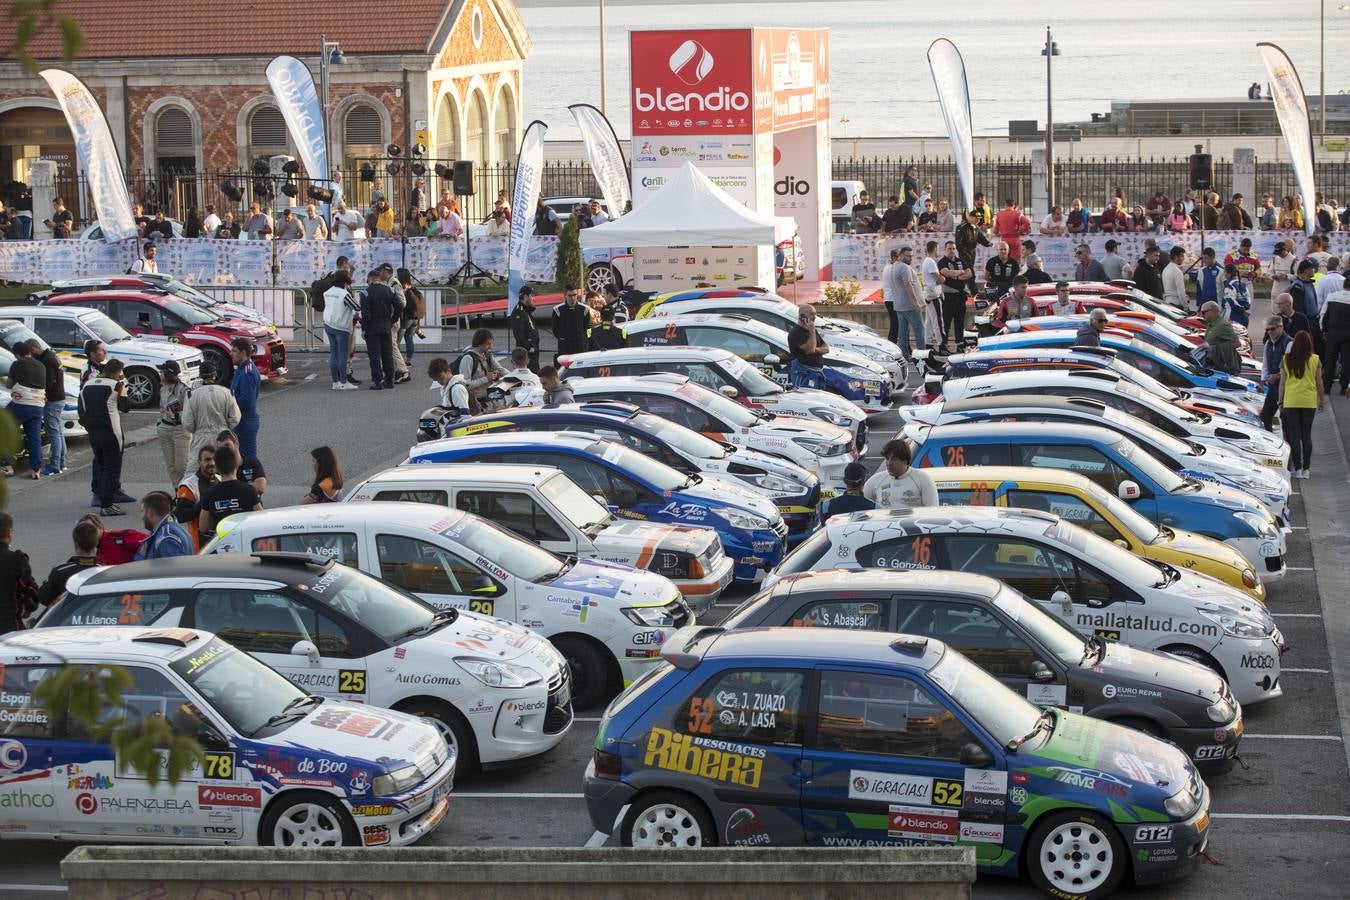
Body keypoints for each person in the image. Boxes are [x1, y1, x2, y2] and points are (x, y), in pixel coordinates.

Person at [80, 358, 130, 516]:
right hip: (111, 431)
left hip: (93, 431)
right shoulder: (116, 385)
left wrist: (89, 426)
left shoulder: (87, 384)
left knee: (100, 463)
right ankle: (107, 503)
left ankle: (98, 495)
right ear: (117, 373)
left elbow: (81, 412)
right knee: (111, 467)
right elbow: (126, 407)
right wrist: (125, 388)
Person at [1280, 331, 1323, 479]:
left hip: (1291, 400)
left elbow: (1282, 383)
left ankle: (1297, 468)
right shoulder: (1315, 359)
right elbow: (1319, 383)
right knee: (1306, 435)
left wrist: (1281, 401)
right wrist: (1321, 400)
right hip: (1309, 401)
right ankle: (1307, 469)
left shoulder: (1286, 359)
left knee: (1294, 436)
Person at [198, 445, 262, 537]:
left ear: (218, 468)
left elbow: (203, 527)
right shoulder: (249, 490)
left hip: (222, 542)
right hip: (244, 540)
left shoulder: (209, 494)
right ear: (236, 465)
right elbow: (261, 518)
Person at [35, 521, 100, 610]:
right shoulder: (105, 571)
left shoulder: (60, 571)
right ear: (96, 543)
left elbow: (43, 597)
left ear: (76, 545)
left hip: (67, 619)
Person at [183, 361, 240, 460]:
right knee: (226, 469)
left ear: (200, 375)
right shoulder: (227, 392)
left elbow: (188, 423)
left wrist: (198, 430)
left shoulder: (191, 395)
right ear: (215, 374)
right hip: (223, 438)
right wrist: (225, 428)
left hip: (201, 439)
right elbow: (235, 418)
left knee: (195, 471)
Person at [7, 339, 46, 479]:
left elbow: (8, 384)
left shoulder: (17, 364)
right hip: (37, 406)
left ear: (17, 354)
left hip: (21, 404)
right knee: (34, 437)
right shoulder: (41, 365)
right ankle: (36, 469)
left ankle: (7, 465)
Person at [863, 440, 937, 508]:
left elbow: (932, 510)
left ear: (905, 460)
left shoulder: (923, 478)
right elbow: (862, 505)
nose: (889, 463)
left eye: (894, 459)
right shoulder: (876, 480)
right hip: (885, 522)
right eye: (887, 458)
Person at [359, 268, 396, 390]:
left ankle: (377, 381)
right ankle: (390, 379)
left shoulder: (365, 293)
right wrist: (393, 320)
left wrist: (364, 329)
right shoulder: (390, 290)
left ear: (370, 279)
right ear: (379, 278)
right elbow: (399, 306)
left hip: (372, 327)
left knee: (374, 355)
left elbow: (366, 314)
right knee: (387, 354)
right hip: (386, 325)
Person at [33, 336, 65, 475]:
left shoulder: (47, 360)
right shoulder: (52, 356)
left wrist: (43, 393)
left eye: (31, 352)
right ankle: (61, 462)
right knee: (58, 431)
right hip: (59, 398)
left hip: (52, 400)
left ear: (35, 348)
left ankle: (55, 464)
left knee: (53, 433)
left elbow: (49, 382)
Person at [155, 359, 190, 487]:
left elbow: (189, 413)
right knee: (171, 466)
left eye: (162, 372)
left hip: (180, 430)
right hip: (164, 429)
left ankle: (186, 491)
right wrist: (160, 423)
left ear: (170, 374)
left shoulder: (184, 390)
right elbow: (161, 408)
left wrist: (176, 416)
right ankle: (177, 491)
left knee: (181, 466)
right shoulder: (163, 388)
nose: (160, 374)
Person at [322, 269, 359, 390]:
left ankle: (335, 382)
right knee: (343, 355)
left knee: (333, 354)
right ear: (345, 282)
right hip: (341, 326)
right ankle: (344, 382)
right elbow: (357, 307)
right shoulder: (344, 294)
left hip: (328, 324)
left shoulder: (327, 292)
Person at [0, 513, 36, 634]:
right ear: (9, 533)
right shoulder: (16, 559)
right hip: (8, 627)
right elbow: (31, 590)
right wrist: (29, 606)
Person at [174, 445, 216, 550]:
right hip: (199, 546)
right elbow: (180, 516)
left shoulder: (221, 480)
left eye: (214, 459)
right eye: (207, 460)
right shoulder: (189, 485)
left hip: (222, 542)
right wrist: (204, 503)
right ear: (199, 462)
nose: (212, 463)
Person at [134, 491, 193, 560]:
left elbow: (172, 569)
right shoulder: (174, 528)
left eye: (142, 511)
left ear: (150, 513)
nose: (141, 516)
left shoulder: (166, 539)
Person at [890, 246, 924, 360]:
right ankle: (922, 355)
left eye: (911, 256)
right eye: (907, 256)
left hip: (899, 305)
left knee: (902, 333)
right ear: (900, 256)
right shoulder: (904, 268)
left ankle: (905, 356)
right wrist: (916, 302)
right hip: (909, 306)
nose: (910, 258)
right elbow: (908, 285)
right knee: (919, 330)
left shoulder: (894, 266)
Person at [228, 337, 261, 457]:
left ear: (243, 353)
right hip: (239, 421)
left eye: (234, 351)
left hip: (244, 422)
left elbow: (247, 402)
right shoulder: (241, 369)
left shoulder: (248, 373)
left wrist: (227, 405)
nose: (231, 354)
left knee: (248, 460)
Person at [458, 327, 506, 408]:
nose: (491, 347)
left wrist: (516, 377)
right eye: (488, 344)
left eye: (491, 343)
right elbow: (465, 384)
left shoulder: (487, 355)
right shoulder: (468, 359)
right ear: (479, 343)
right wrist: (486, 379)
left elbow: (501, 370)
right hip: (476, 404)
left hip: (490, 400)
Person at [937, 240, 972, 350]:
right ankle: (944, 345)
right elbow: (946, 273)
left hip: (960, 296)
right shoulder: (942, 262)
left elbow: (969, 273)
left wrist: (956, 276)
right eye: (949, 248)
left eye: (953, 248)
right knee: (946, 322)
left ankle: (960, 345)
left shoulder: (960, 260)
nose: (952, 251)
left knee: (960, 322)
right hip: (948, 296)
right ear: (945, 249)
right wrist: (961, 272)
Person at [787, 304, 829, 389]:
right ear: (802, 316)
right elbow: (810, 349)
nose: (815, 317)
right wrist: (812, 331)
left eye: (815, 314)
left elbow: (826, 348)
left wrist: (816, 349)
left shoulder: (812, 331)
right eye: (811, 314)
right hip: (803, 373)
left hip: (816, 373)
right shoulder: (796, 332)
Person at [1320, 279, 1350, 397]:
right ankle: (1344, 387)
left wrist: (1324, 330)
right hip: (1348, 335)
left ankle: (1327, 387)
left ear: (1343, 285)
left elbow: (1324, 314)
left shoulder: (1332, 297)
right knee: (1346, 360)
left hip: (1332, 333)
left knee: (1330, 360)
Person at [216, 430, 267, 497]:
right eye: (221, 448)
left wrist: (233, 487)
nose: (225, 450)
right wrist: (249, 486)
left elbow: (261, 487)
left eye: (227, 445)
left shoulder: (253, 463)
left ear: (237, 444)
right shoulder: (218, 468)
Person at [1200, 301, 1243, 375]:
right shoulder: (1211, 324)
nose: (1202, 315)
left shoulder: (1222, 325)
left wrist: (1215, 348)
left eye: (1204, 312)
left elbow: (1237, 343)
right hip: (1213, 364)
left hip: (1223, 367)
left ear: (1213, 311)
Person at [552, 284, 590, 363]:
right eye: (570, 296)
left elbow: (586, 327)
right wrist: (563, 337)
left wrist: (581, 338)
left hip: (579, 345)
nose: (573, 298)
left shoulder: (584, 309)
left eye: (575, 295)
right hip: (564, 345)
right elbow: (555, 329)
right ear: (565, 295)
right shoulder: (557, 310)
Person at [919, 240, 943, 351]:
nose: (939, 251)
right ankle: (941, 345)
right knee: (938, 320)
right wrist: (943, 278)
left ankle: (928, 343)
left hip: (929, 293)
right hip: (933, 294)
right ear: (934, 249)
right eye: (938, 249)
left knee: (929, 321)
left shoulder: (927, 261)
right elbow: (938, 278)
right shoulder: (931, 262)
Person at [509, 287, 541, 372]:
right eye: (531, 295)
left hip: (533, 350)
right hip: (527, 353)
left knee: (535, 372)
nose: (533, 298)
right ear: (525, 296)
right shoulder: (518, 312)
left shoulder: (526, 310)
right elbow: (519, 334)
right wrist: (529, 347)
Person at [1162, 246, 1188, 311]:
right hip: (1176, 304)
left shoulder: (1165, 269)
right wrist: (1186, 306)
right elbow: (1181, 292)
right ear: (1176, 257)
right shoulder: (1177, 271)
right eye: (1182, 256)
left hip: (1167, 302)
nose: (1183, 258)